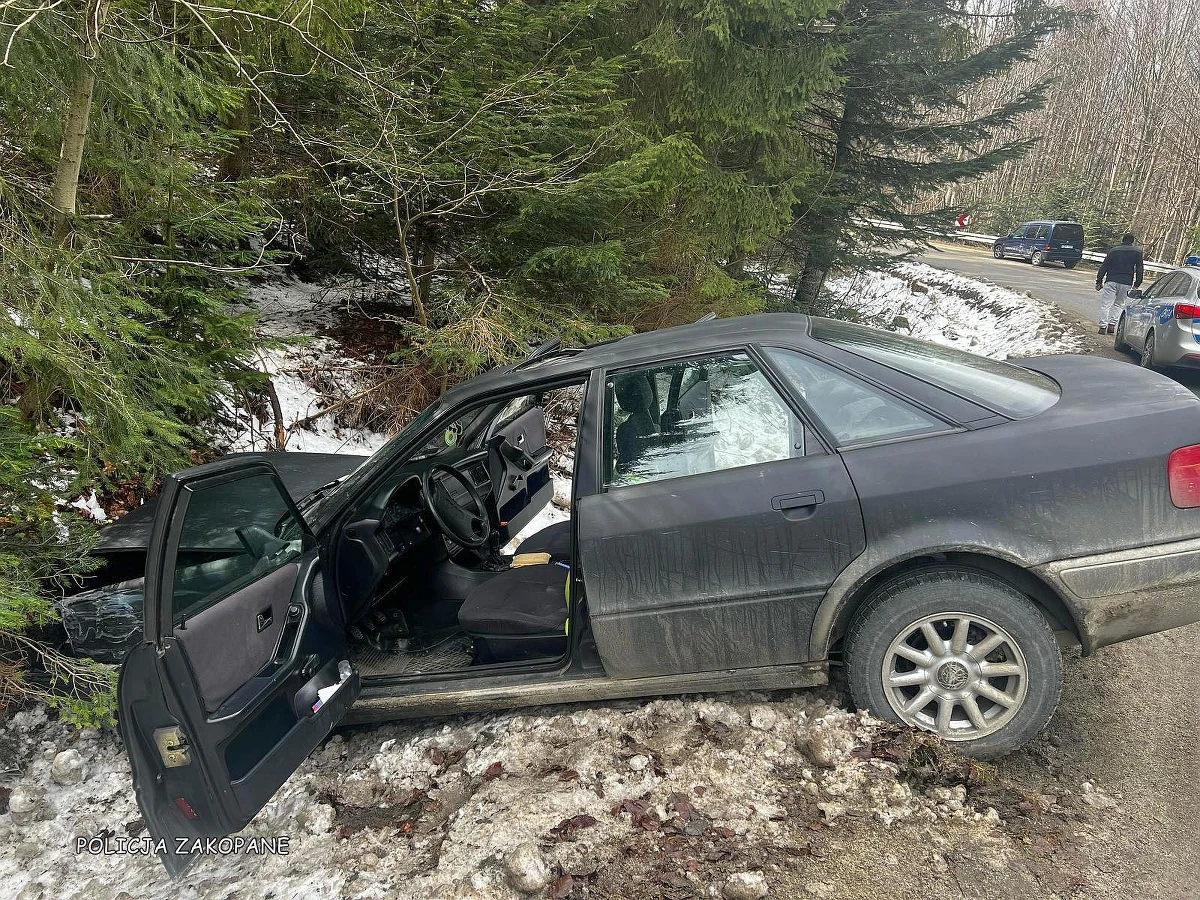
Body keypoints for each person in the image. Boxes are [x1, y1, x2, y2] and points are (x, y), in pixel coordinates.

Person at [1095, 233, 1144, 335]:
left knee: (1106, 305)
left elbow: (1104, 266)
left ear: (1123, 240)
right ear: (1132, 241)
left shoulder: (1113, 251)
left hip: (1111, 280)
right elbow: (1139, 268)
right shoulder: (1137, 252)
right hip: (1126, 282)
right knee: (1119, 304)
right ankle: (1112, 325)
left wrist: (1099, 281)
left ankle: (1102, 327)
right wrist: (1137, 283)